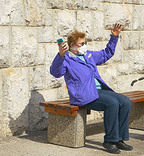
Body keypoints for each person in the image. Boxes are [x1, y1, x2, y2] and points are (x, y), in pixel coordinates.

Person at [50, 23, 133, 154]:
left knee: (125, 101)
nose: (84, 46)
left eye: (84, 43)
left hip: (99, 91)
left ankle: (119, 139)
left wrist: (114, 37)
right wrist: (60, 55)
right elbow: (55, 72)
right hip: (83, 94)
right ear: (72, 46)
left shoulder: (88, 55)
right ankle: (109, 141)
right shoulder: (66, 59)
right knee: (112, 103)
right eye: (81, 44)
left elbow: (106, 54)